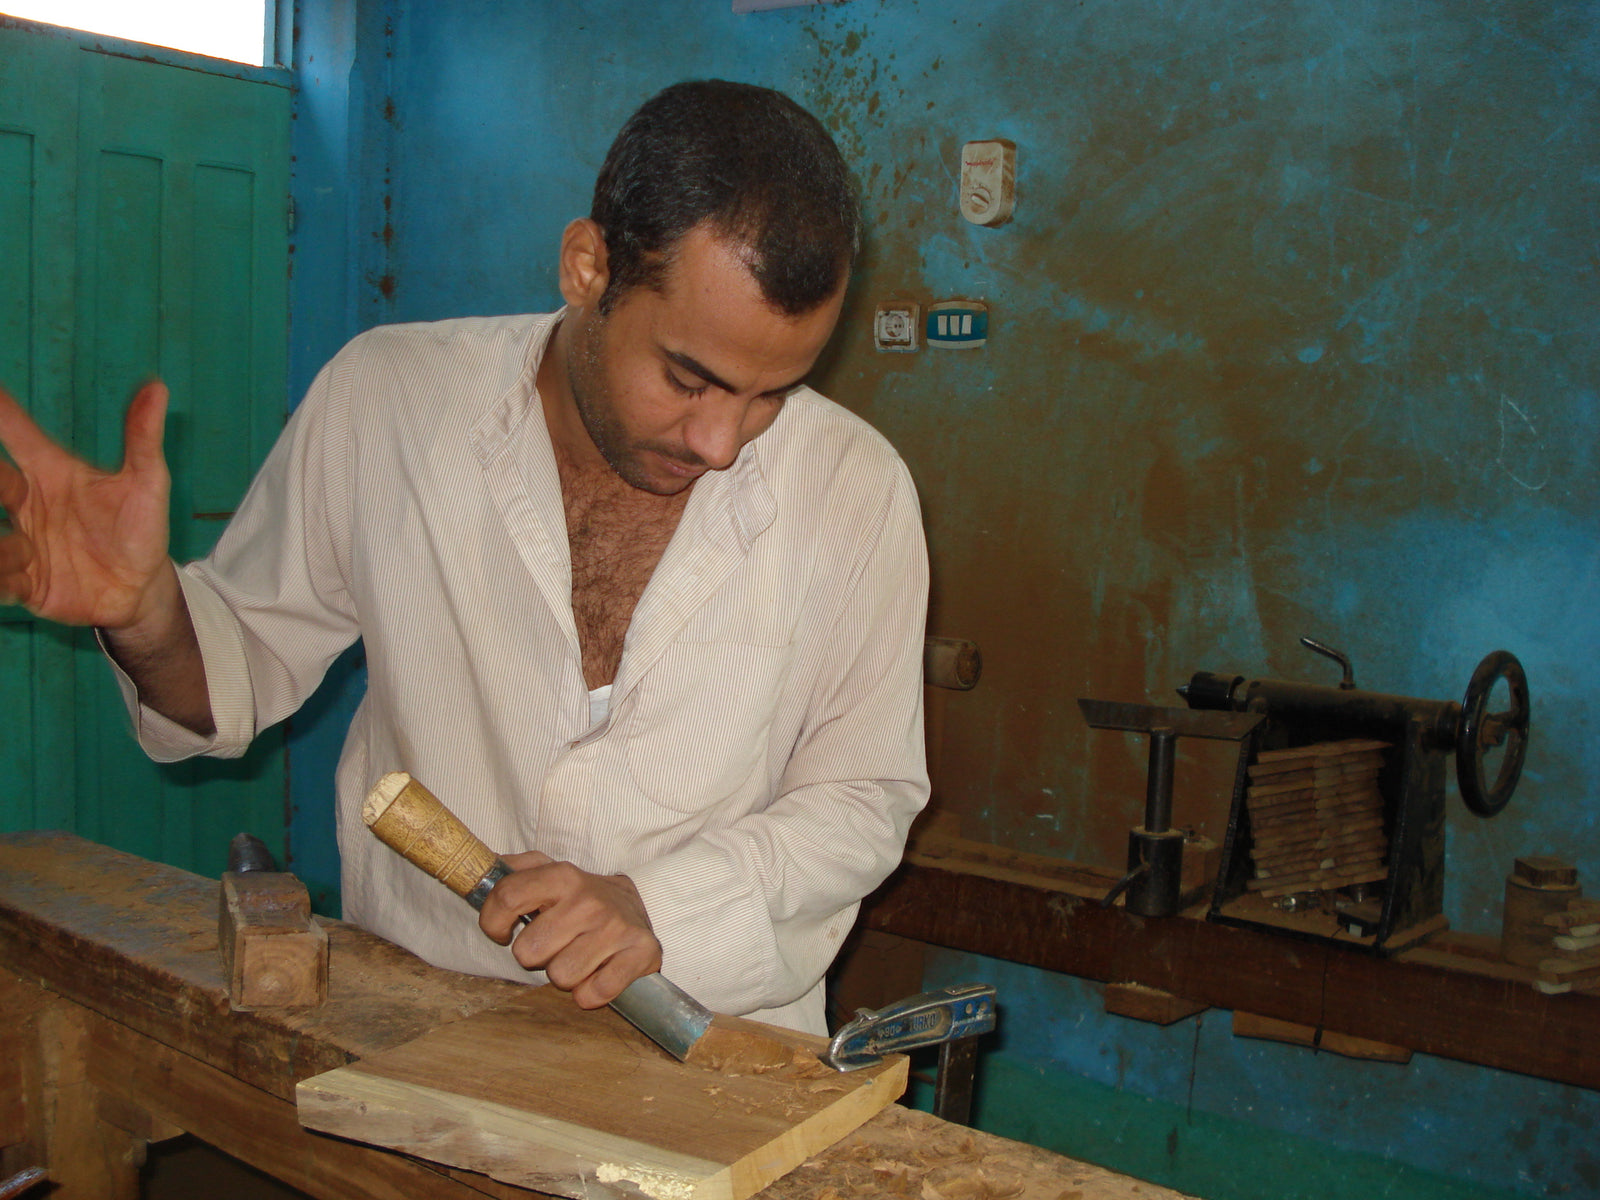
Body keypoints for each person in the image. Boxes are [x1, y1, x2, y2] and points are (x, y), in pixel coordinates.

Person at [0, 80, 928, 1036]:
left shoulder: (854, 489)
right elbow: (238, 670)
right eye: (688, 378)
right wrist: (147, 614)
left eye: (772, 394)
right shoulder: (387, 401)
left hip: (717, 1042)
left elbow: (863, 798)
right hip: (419, 1022)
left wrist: (656, 906)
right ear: (588, 267)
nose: (722, 442)